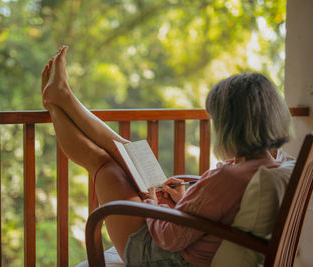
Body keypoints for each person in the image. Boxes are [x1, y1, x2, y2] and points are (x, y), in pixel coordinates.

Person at [41, 46, 293, 267]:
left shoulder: (229, 176)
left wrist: (154, 203)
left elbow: (169, 238)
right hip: (187, 239)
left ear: (230, 126)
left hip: (162, 257)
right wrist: (183, 200)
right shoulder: (274, 164)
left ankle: (55, 102)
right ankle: (63, 96)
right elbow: (216, 214)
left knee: (105, 164)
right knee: (126, 153)